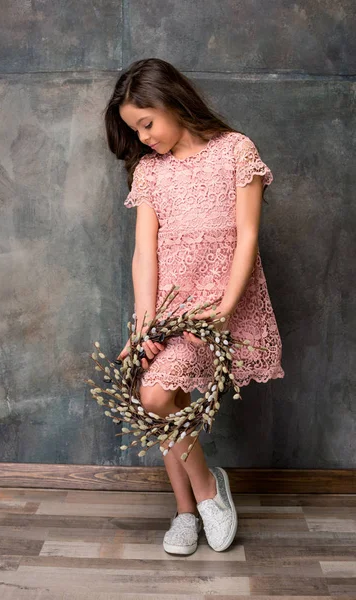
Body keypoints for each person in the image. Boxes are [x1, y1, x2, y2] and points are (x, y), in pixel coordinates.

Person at [104, 58, 285, 556]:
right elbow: (145, 252)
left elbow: (248, 235)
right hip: (171, 310)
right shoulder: (150, 173)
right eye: (133, 130)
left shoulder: (235, 151)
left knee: (160, 399)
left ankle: (198, 498)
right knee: (158, 398)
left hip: (225, 310)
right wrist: (144, 326)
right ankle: (195, 501)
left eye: (146, 123)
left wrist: (225, 308)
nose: (143, 137)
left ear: (172, 101)